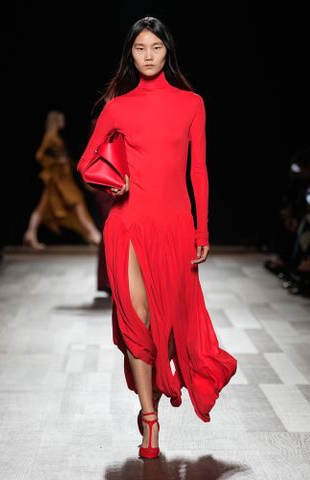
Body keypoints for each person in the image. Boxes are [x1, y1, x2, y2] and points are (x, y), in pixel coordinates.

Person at [78, 16, 237, 459]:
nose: (148, 56)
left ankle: (158, 397)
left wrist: (202, 227)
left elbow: (198, 170)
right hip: (126, 225)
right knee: (136, 322)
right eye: (139, 49)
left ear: (168, 51)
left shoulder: (191, 103)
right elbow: (87, 161)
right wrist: (112, 183)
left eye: (155, 48)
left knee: (169, 322)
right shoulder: (118, 106)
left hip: (173, 227)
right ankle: (149, 417)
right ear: (130, 54)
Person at [23, 111, 102, 249]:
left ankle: (30, 233)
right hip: (58, 179)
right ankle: (93, 234)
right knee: (76, 202)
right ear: (55, 121)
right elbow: (40, 155)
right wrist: (58, 161)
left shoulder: (54, 137)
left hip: (62, 178)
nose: (63, 122)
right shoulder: (51, 137)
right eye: (61, 120)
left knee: (44, 207)